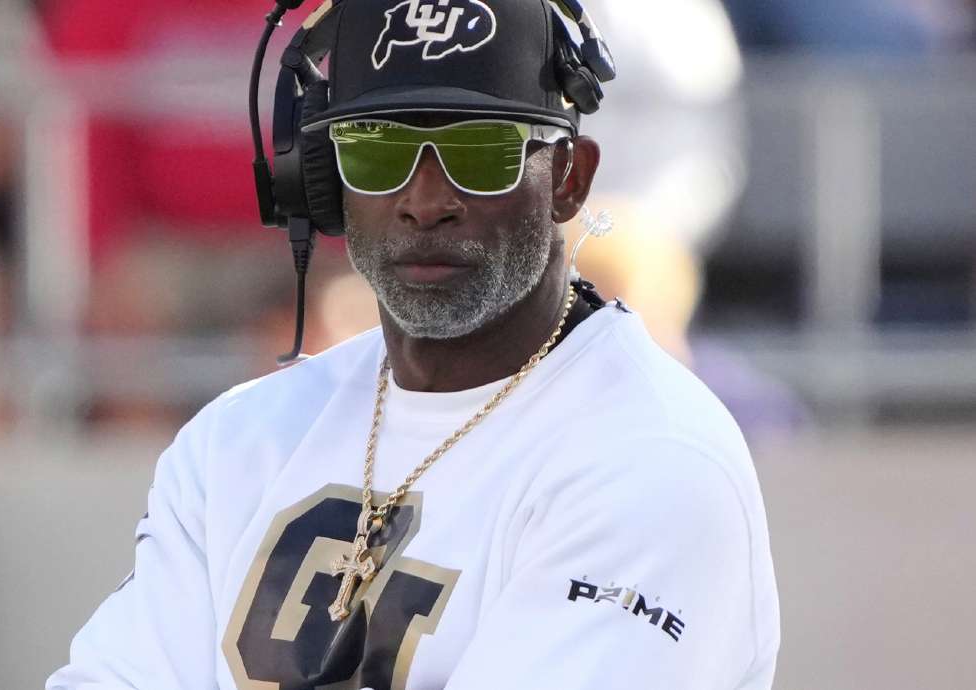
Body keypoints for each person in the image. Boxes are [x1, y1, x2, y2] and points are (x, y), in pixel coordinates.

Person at [47, 0, 779, 688]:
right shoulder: (234, 443)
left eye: (481, 151)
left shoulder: (649, 458)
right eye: (376, 149)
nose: (426, 200)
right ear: (323, 182)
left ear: (569, 178)